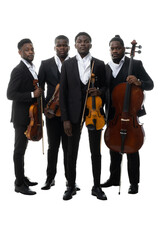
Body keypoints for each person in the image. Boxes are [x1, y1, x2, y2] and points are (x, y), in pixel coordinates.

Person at [101, 35, 154, 194]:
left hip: (131, 114)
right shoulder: (106, 67)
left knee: (132, 148)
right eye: (112, 48)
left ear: (124, 49)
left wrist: (139, 82)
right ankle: (114, 179)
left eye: (118, 48)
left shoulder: (135, 64)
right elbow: (105, 91)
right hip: (113, 114)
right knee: (113, 146)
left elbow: (150, 84)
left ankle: (134, 183)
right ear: (110, 50)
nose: (115, 50)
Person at [60, 32, 107, 200]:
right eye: (79, 41)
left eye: (86, 41)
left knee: (96, 152)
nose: (83, 44)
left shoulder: (99, 64)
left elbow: (106, 87)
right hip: (72, 114)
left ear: (91, 45)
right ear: (75, 45)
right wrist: (65, 118)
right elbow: (63, 93)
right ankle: (70, 185)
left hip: (94, 113)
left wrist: (99, 91)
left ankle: (97, 186)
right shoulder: (67, 64)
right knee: (71, 152)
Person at [7, 38, 42, 195]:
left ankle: (21, 177)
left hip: (31, 116)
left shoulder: (32, 68)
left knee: (23, 149)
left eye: (32, 49)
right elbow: (10, 94)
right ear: (20, 52)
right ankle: (19, 184)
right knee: (19, 150)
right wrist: (31, 94)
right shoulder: (18, 70)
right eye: (27, 50)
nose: (31, 52)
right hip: (22, 117)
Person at [38, 35, 74, 190]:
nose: (62, 48)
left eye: (65, 45)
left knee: (69, 148)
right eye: (59, 45)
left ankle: (70, 180)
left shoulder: (74, 63)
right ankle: (49, 178)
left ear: (69, 47)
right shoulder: (45, 64)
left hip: (70, 113)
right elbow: (40, 89)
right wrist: (45, 109)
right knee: (53, 147)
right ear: (54, 47)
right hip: (52, 112)